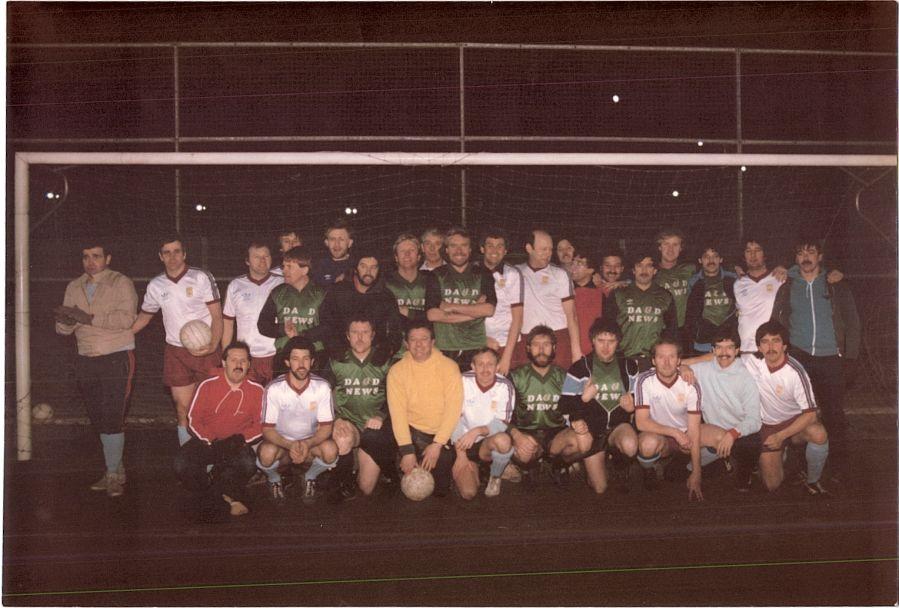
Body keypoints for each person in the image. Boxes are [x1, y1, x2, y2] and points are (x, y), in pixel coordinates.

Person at [54, 241, 137, 497]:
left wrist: (88, 318)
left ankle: (112, 475)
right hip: (85, 357)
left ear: (108, 258)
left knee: (112, 416)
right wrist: (67, 322)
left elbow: (127, 319)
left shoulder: (121, 282)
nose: (90, 261)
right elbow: (62, 329)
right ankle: (116, 469)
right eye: (85, 256)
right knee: (98, 417)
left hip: (115, 356)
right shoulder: (74, 286)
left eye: (96, 256)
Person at [771, 238, 858, 474]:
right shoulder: (788, 284)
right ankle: (800, 465)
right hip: (800, 357)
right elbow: (777, 321)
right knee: (799, 413)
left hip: (832, 357)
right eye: (800, 253)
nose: (806, 257)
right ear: (795, 258)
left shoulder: (834, 283)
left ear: (820, 256)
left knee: (833, 414)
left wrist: (850, 359)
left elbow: (852, 322)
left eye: (811, 252)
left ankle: (839, 466)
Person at [131, 234, 223, 446]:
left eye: (177, 251)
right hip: (176, 352)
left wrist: (212, 346)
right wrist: (121, 334)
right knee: (183, 409)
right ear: (160, 256)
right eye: (167, 252)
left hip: (205, 350)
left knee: (209, 408)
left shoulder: (201, 277)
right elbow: (145, 317)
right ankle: (188, 457)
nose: (172, 257)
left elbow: (217, 317)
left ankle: (211, 459)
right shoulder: (156, 285)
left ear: (184, 254)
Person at [174, 342, 263, 520]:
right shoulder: (207, 385)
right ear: (224, 363)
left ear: (249, 364)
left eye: (243, 361)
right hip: (208, 442)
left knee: (248, 465)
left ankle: (218, 493)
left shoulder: (257, 390)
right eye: (233, 360)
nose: (238, 364)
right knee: (181, 464)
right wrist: (211, 439)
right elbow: (193, 419)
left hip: (236, 444)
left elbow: (261, 425)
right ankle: (217, 492)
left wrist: (241, 439)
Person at [742, 321, 829, 495]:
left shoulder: (795, 372)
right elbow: (720, 356)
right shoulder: (752, 362)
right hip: (767, 425)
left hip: (793, 424)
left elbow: (811, 415)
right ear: (758, 347)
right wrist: (682, 364)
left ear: (785, 346)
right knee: (772, 485)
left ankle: (813, 480)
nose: (771, 346)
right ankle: (777, 457)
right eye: (765, 342)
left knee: (818, 434)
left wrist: (781, 436)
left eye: (776, 341)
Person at [255, 336, 339, 504]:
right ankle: (274, 479)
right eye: (295, 359)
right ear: (287, 362)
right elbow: (267, 429)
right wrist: (290, 445)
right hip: (282, 445)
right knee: (265, 454)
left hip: (310, 444)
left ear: (312, 361)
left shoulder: (322, 387)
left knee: (331, 451)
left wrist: (307, 444)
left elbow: (326, 428)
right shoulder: (274, 388)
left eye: (306, 358)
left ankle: (310, 476)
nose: (301, 364)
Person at [560, 318, 637, 494]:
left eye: (611, 341)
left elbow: (638, 400)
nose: (606, 346)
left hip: (618, 427)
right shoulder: (580, 367)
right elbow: (565, 405)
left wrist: (633, 406)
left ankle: (617, 460)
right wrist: (582, 400)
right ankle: (587, 461)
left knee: (631, 446)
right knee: (600, 488)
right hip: (592, 431)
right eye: (601, 340)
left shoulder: (629, 366)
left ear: (618, 343)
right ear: (593, 341)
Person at [386, 320, 463, 498]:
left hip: (440, 435)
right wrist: (407, 451)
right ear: (406, 343)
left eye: (424, 339)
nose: (419, 344)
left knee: (440, 491)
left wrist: (437, 444)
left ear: (433, 342)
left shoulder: (449, 367)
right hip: (412, 432)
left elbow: (453, 409)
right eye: (413, 339)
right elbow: (397, 413)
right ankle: (394, 471)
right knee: (378, 437)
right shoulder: (397, 371)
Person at [681, 327, 762, 492]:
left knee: (752, 443)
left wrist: (733, 433)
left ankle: (744, 473)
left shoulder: (746, 377)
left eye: (730, 347)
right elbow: (667, 366)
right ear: (712, 350)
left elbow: (754, 420)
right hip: (712, 433)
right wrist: (682, 367)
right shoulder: (703, 369)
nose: (724, 352)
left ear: (737, 350)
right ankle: (722, 461)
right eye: (719, 347)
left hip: (738, 434)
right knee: (674, 474)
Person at [327, 316, 397, 500]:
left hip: (375, 430)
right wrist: (336, 418)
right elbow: (321, 395)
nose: (360, 337)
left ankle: (377, 467)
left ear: (373, 335)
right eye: (354, 333)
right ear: (347, 336)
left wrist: (381, 415)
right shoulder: (337, 362)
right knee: (342, 438)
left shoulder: (385, 361)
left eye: (365, 332)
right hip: (349, 424)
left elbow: (398, 397)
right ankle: (344, 481)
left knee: (366, 488)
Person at [633, 337, 704, 500]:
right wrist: (674, 433)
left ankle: (686, 466)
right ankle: (650, 469)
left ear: (679, 360)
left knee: (716, 438)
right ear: (653, 360)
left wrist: (696, 473)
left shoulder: (690, 383)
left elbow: (694, 430)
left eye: (672, 357)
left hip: (684, 435)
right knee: (648, 444)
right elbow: (641, 422)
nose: (666, 362)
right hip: (658, 434)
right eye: (661, 357)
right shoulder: (644, 380)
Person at [508, 326, 577, 487]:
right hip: (527, 430)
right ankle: (530, 466)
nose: (541, 349)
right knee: (523, 454)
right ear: (528, 348)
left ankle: (558, 465)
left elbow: (575, 410)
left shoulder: (565, 376)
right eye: (536, 344)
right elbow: (504, 415)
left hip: (556, 432)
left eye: (546, 344)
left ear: (554, 348)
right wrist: (516, 435)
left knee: (580, 441)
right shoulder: (516, 376)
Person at [425, 227, 497, 370]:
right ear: (446, 250)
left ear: (470, 249)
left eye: (464, 245)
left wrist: (451, 307)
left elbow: (489, 310)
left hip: (475, 347)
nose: (459, 251)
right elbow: (432, 314)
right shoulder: (436, 275)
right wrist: (474, 312)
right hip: (445, 348)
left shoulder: (483, 273)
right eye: (453, 246)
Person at [513, 229, 582, 370]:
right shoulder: (515, 273)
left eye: (550, 249)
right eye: (543, 249)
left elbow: (572, 315)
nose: (548, 253)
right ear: (529, 248)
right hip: (527, 338)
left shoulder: (560, 274)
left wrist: (576, 351)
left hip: (558, 337)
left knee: (560, 385)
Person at [452, 347, 515, 499]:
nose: (485, 369)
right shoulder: (461, 381)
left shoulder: (505, 386)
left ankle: (495, 475)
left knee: (504, 441)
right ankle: (472, 471)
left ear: (497, 366)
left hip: (487, 440)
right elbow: (452, 417)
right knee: (468, 493)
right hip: (463, 441)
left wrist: (478, 431)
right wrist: (460, 455)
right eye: (480, 364)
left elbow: (502, 423)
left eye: (490, 364)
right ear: (473, 367)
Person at [319, 250, 405, 359]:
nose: (368, 272)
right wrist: (334, 348)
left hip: (374, 358)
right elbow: (325, 325)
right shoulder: (338, 291)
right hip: (341, 356)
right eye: (363, 266)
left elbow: (395, 331)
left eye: (374, 267)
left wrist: (387, 350)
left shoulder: (385, 296)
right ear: (355, 268)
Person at [603, 250, 678, 373]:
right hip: (624, 359)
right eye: (639, 266)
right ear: (633, 270)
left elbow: (672, 332)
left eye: (649, 266)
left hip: (654, 361)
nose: (644, 270)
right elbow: (608, 329)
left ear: (655, 271)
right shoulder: (618, 294)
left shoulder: (665, 296)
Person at [222, 240, 283, 384]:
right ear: (247, 261)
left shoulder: (282, 283)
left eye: (266, 256)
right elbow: (228, 324)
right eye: (256, 257)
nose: (262, 261)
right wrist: (225, 356)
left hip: (276, 355)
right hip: (245, 357)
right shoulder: (236, 286)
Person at [256, 246, 329, 361]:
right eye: (284, 266)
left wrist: (302, 336)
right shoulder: (277, 293)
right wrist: (282, 329)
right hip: (284, 354)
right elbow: (263, 325)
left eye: (289, 267)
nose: (284, 271)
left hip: (315, 355)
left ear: (304, 270)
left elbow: (328, 326)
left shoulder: (321, 293)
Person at [478, 227, 523, 375]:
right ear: (482, 248)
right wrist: (481, 339)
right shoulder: (471, 272)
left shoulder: (513, 275)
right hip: (478, 344)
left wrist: (506, 358)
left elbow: (517, 318)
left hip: (507, 346)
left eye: (500, 246)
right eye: (490, 245)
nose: (494, 250)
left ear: (506, 251)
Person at [733, 237, 785, 354]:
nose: (753, 255)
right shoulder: (738, 283)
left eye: (757, 250)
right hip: (745, 350)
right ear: (743, 256)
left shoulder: (779, 278)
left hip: (771, 351)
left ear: (765, 254)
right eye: (748, 251)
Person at [684, 241, 737, 354]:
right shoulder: (693, 282)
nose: (711, 260)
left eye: (715, 256)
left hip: (729, 341)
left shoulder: (733, 279)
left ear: (721, 259)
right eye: (706, 257)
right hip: (703, 343)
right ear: (700, 260)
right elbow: (690, 314)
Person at [653, 227, 696, 332]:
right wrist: (623, 282)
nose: (670, 249)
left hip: (685, 329)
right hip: (659, 328)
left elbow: (713, 270)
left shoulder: (690, 269)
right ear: (659, 247)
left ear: (681, 248)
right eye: (666, 244)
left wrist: (737, 268)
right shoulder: (651, 271)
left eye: (675, 245)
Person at [384, 233, 429, 320]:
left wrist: (409, 312)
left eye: (412, 250)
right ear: (396, 257)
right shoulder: (385, 282)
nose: (407, 254)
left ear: (419, 256)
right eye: (402, 251)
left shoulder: (430, 280)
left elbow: (435, 314)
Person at [569, 249, 604, 356]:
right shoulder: (565, 290)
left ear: (590, 270)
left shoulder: (601, 293)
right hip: (569, 351)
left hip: (593, 353)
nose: (573, 267)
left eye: (579, 263)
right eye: (573, 262)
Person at [312, 219, 355, 287]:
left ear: (350, 243)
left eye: (341, 239)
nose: (336, 244)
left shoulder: (357, 266)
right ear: (326, 242)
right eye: (332, 239)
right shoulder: (318, 266)